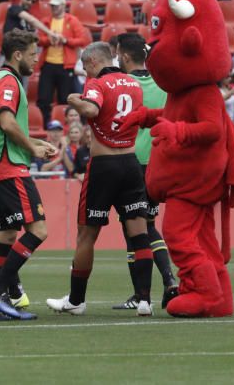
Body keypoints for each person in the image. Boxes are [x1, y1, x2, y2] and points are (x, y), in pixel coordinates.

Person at [46, 42, 153, 317]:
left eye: (85, 66)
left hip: (104, 165)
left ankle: (76, 300)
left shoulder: (97, 83)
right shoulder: (132, 84)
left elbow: (92, 110)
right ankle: (144, 300)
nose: (85, 72)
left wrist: (74, 100)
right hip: (131, 163)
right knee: (139, 232)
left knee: (87, 234)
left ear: (93, 61)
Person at [0, 29, 58, 320]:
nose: (36, 60)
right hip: (9, 168)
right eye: (32, 54)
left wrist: (35, 143)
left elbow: (7, 128)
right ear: (17, 54)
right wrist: (31, 148)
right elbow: (6, 121)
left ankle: (2, 307)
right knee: (38, 231)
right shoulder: (9, 82)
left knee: (6, 235)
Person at [111, 33, 178, 310]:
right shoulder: (163, 85)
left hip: (128, 161)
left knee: (136, 229)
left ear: (124, 57)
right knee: (144, 225)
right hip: (157, 162)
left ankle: (154, 288)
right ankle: (155, 286)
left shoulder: (120, 84)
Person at [36, 0, 89, 123]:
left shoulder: (72, 20)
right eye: (52, 6)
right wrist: (48, 40)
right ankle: (45, 124)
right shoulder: (47, 21)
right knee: (44, 98)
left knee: (64, 98)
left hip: (66, 66)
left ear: (63, 6)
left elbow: (83, 40)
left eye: (56, 6)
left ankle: (63, 125)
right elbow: (38, 40)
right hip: (48, 64)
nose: (53, 8)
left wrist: (65, 40)